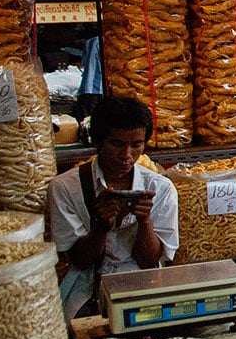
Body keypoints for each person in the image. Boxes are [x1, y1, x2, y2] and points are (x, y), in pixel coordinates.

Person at [48, 95, 179, 320]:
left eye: (136, 145)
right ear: (98, 141)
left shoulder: (161, 188)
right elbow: (79, 260)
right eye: (117, 144)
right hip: (85, 295)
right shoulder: (65, 187)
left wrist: (144, 221)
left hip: (143, 290)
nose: (126, 156)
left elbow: (148, 261)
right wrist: (100, 227)